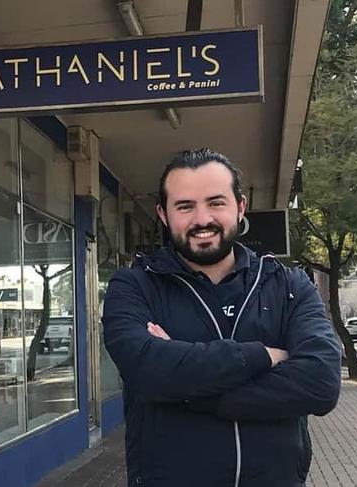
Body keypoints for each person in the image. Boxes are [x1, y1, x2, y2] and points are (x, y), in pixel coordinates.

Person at [102, 149, 341, 487]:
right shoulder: (135, 286)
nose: (202, 219)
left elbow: (320, 383)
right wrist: (264, 355)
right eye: (185, 206)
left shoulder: (287, 285)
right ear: (163, 214)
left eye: (216, 203)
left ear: (240, 206)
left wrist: (190, 389)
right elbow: (146, 369)